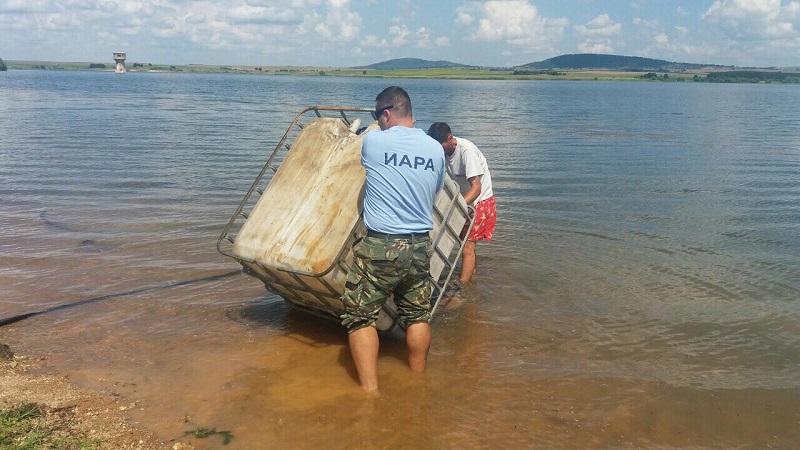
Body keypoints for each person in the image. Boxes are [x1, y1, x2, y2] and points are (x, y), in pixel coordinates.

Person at [341, 86, 445, 392]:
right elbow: (435, 190)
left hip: (382, 245)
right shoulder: (435, 149)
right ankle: (417, 381)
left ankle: (369, 393)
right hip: (419, 246)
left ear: (386, 114)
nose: (376, 121)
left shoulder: (373, 141)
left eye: (377, 116)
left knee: (360, 316)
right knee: (416, 314)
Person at [427, 122, 495, 284]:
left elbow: (476, 188)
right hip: (464, 201)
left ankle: (461, 290)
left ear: (451, 139)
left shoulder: (466, 151)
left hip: (480, 202)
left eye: (442, 146)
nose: (439, 151)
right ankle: (472, 280)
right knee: (464, 245)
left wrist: (455, 208)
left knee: (467, 247)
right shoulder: (441, 152)